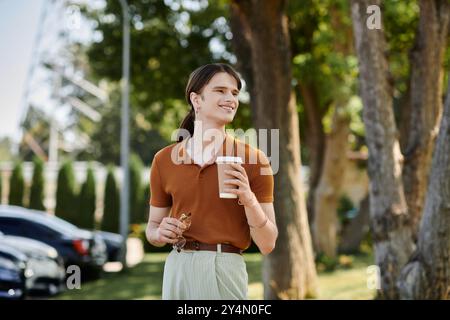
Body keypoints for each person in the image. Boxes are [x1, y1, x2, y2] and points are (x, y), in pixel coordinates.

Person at [145, 63, 278, 300]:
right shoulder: (164, 160)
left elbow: (267, 244)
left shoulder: (254, 160)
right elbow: (152, 228)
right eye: (221, 91)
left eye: (235, 93)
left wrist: (248, 199)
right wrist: (160, 233)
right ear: (196, 100)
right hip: (178, 267)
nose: (231, 99)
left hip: (225, 267)